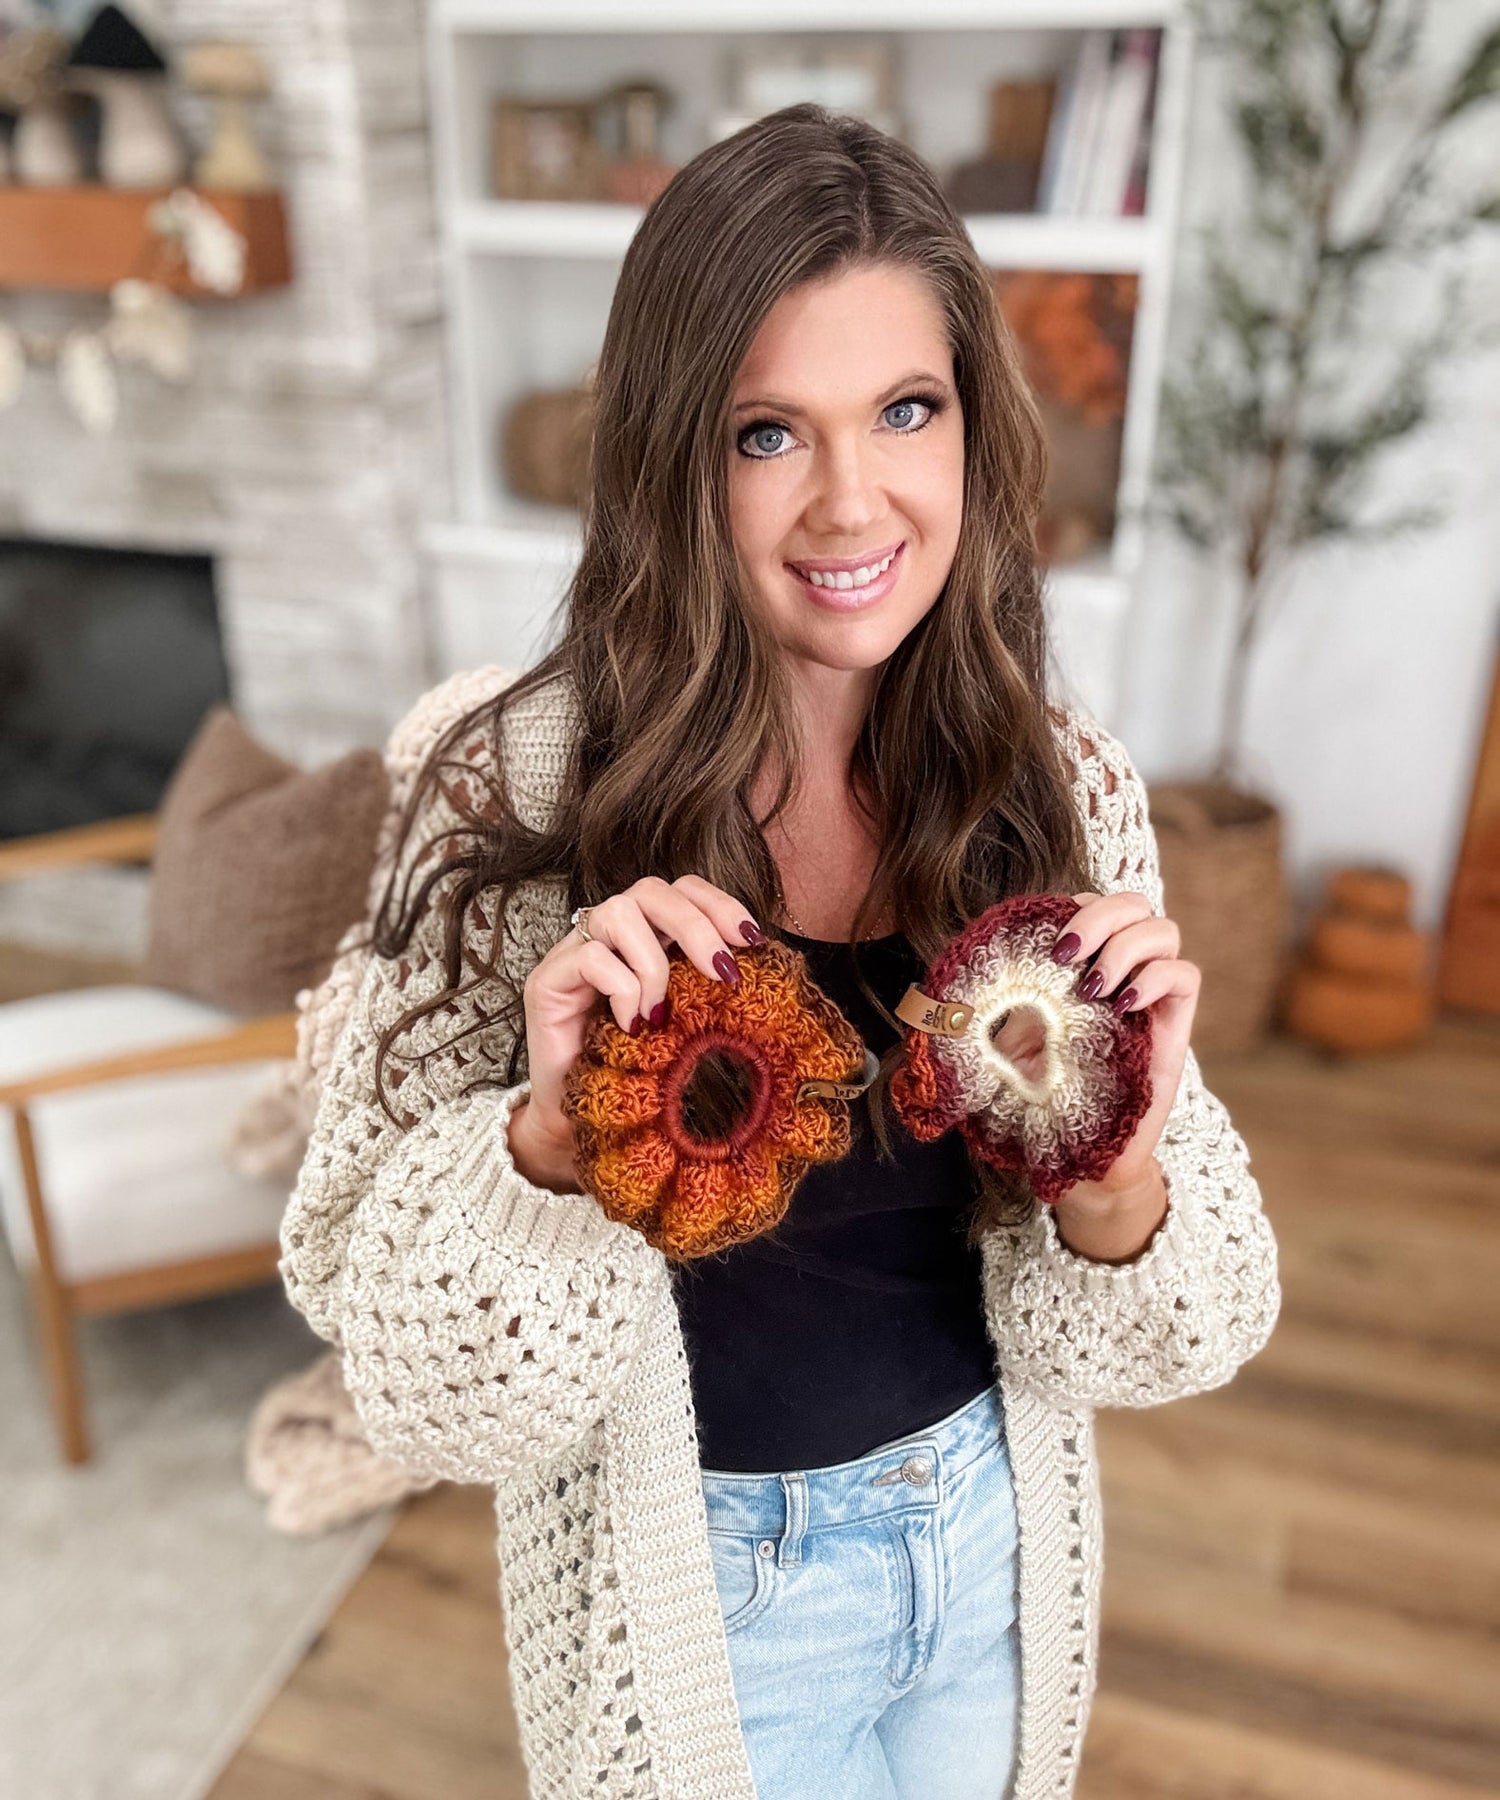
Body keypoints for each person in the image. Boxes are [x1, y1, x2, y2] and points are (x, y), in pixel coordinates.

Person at [280, 103, 1281, 1800]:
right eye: (767, 434)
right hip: (712, 1606)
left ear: (973, 427)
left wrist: (1120, 1164)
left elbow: (1193, 1330)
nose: (851, 499)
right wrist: (548, 1145)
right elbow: (404, 1378)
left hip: (991, 1550)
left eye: (907, 410)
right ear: (674, 457)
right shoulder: (509, 790)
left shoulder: (1058, 788)